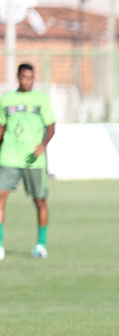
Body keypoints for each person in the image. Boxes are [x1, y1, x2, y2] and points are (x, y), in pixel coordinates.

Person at [0, 63, 56, 260]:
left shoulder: (40, 99)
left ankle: (41, 245)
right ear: (18, 77)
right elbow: (1, 127)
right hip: (8, 156)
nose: (28, 81)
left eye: (31, 78)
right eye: (25, 77)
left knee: (40, 200)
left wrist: (43, 145)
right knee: (0, 197)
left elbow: (51, 126)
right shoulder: (7, 100)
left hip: (34, 160)